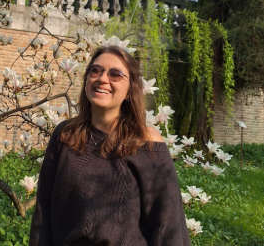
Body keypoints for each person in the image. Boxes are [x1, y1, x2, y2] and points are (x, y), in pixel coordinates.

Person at [29, 45, 191, 246]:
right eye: (95, 71)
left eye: (115, 74)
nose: (102, 79)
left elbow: (168, 225)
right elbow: (43, 212)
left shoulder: (146, 143)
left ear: (130, 91)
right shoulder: (65, 135)